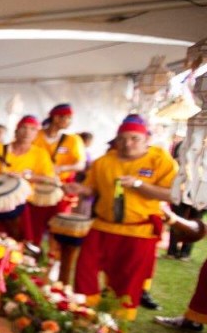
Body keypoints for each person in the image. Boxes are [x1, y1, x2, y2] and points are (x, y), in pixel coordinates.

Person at [68, 114, 177, 320]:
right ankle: (84, 314)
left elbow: (172, 194)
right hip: (102, 226)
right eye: (122, 139)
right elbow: (91, 189)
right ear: (116, 140)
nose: (127, 144)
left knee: (127, 280)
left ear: (146, 140)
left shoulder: (159, 159)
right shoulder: (103, 162)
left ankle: (115, 324)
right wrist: (80, 189)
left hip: (139, 230)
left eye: (134, 138)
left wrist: (139, 185)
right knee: (85, 270)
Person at [0, 115, 57, 243]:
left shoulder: (40, 154)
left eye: (32, 129)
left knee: (17, 240)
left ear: (37, 133)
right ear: (16, 130)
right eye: (23, 128)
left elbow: (49, 178)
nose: (27, 132)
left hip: (21, 203)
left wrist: (25, 176)